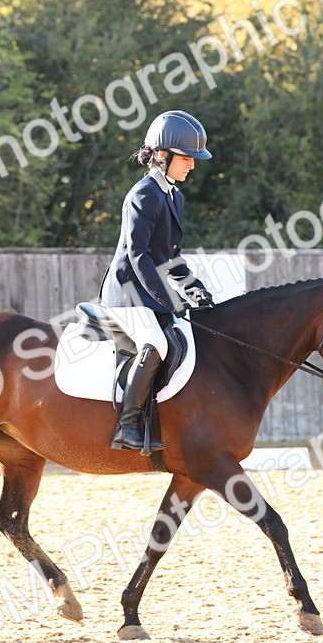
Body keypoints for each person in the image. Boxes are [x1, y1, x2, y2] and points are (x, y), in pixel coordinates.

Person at [99, 110, 216, 451]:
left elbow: (168, 257)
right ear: (162, 156)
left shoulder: (173, 196)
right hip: (127, 292)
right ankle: (128, 425)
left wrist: (194, 288)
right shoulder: (144, 194)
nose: (192, 166)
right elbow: (139, 257)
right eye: (186, 159)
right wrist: (169, 299)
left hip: (148, 289)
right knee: (157, 343)